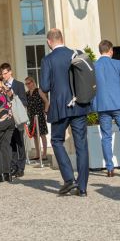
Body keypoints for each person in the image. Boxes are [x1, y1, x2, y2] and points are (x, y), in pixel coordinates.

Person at [39, 28, 90, 197]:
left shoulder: (48, 59)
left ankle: (69, 178)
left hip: (60, 106)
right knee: (81, 145)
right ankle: (82, 188)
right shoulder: (76, 53)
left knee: (56, 140)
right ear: (62, 38)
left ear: (49, 42)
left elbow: (45, 87)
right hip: (79, 104)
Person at [93, 40, 120, 177]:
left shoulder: (94, 66)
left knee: (106, 137)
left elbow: (91, 89)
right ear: (111, 50)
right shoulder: (118, 64)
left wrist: (95, 105)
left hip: (103, 106)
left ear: (100, 50)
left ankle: (110, 168)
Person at [0, 63, 28, 178]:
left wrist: (12, 95)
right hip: (8, 119)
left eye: (5, 73)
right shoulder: (2, 86)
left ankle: (21, 168)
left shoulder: (19, 85)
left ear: (10, 72)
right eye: (2, 74)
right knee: (11, 144)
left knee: (20, 143)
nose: (4, 76)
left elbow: (24, 102)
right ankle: (13, 166)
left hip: (18, 119)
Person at [23, 76, 48, 161]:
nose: (28, 85)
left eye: (29, 83)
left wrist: (45, 111)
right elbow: (26, 106)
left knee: (42, 135)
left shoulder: (39, 91)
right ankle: (38, 154)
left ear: (33, 82)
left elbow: (46, 102)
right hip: (31, 116)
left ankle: (44, 154)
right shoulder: (26, 94)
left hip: (39, 115)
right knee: (34, 136)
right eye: (26, 84)